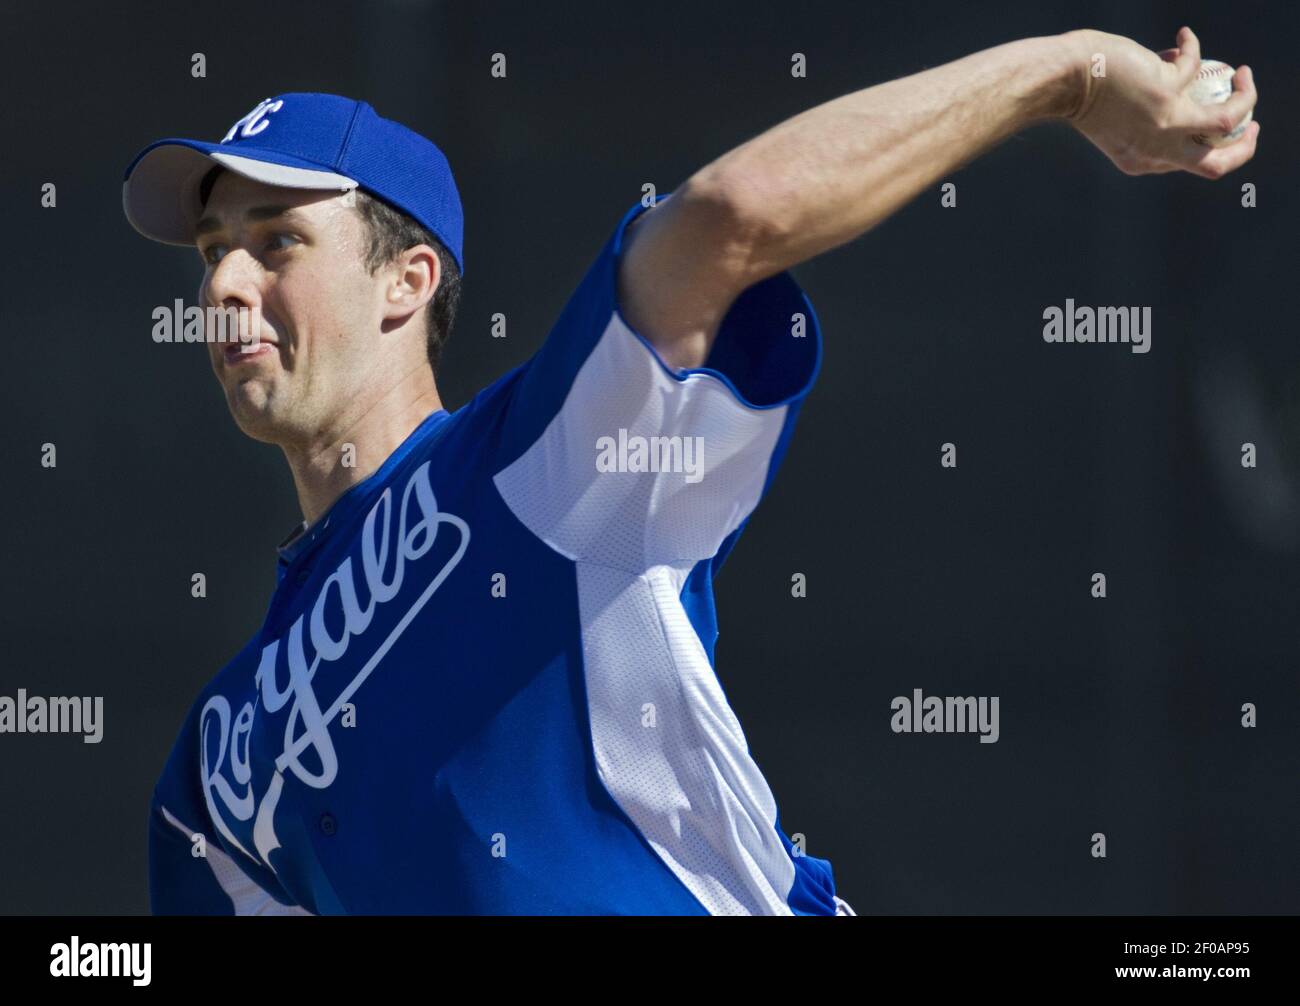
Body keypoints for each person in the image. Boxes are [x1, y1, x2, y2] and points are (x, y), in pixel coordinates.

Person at [125, 26, 1257, 915]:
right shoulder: (217, 765)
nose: (226, 282)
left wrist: (1069, 73)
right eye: (215, 248)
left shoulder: (537, 464)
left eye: (277, 240)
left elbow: (732, 216)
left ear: (406, 281)